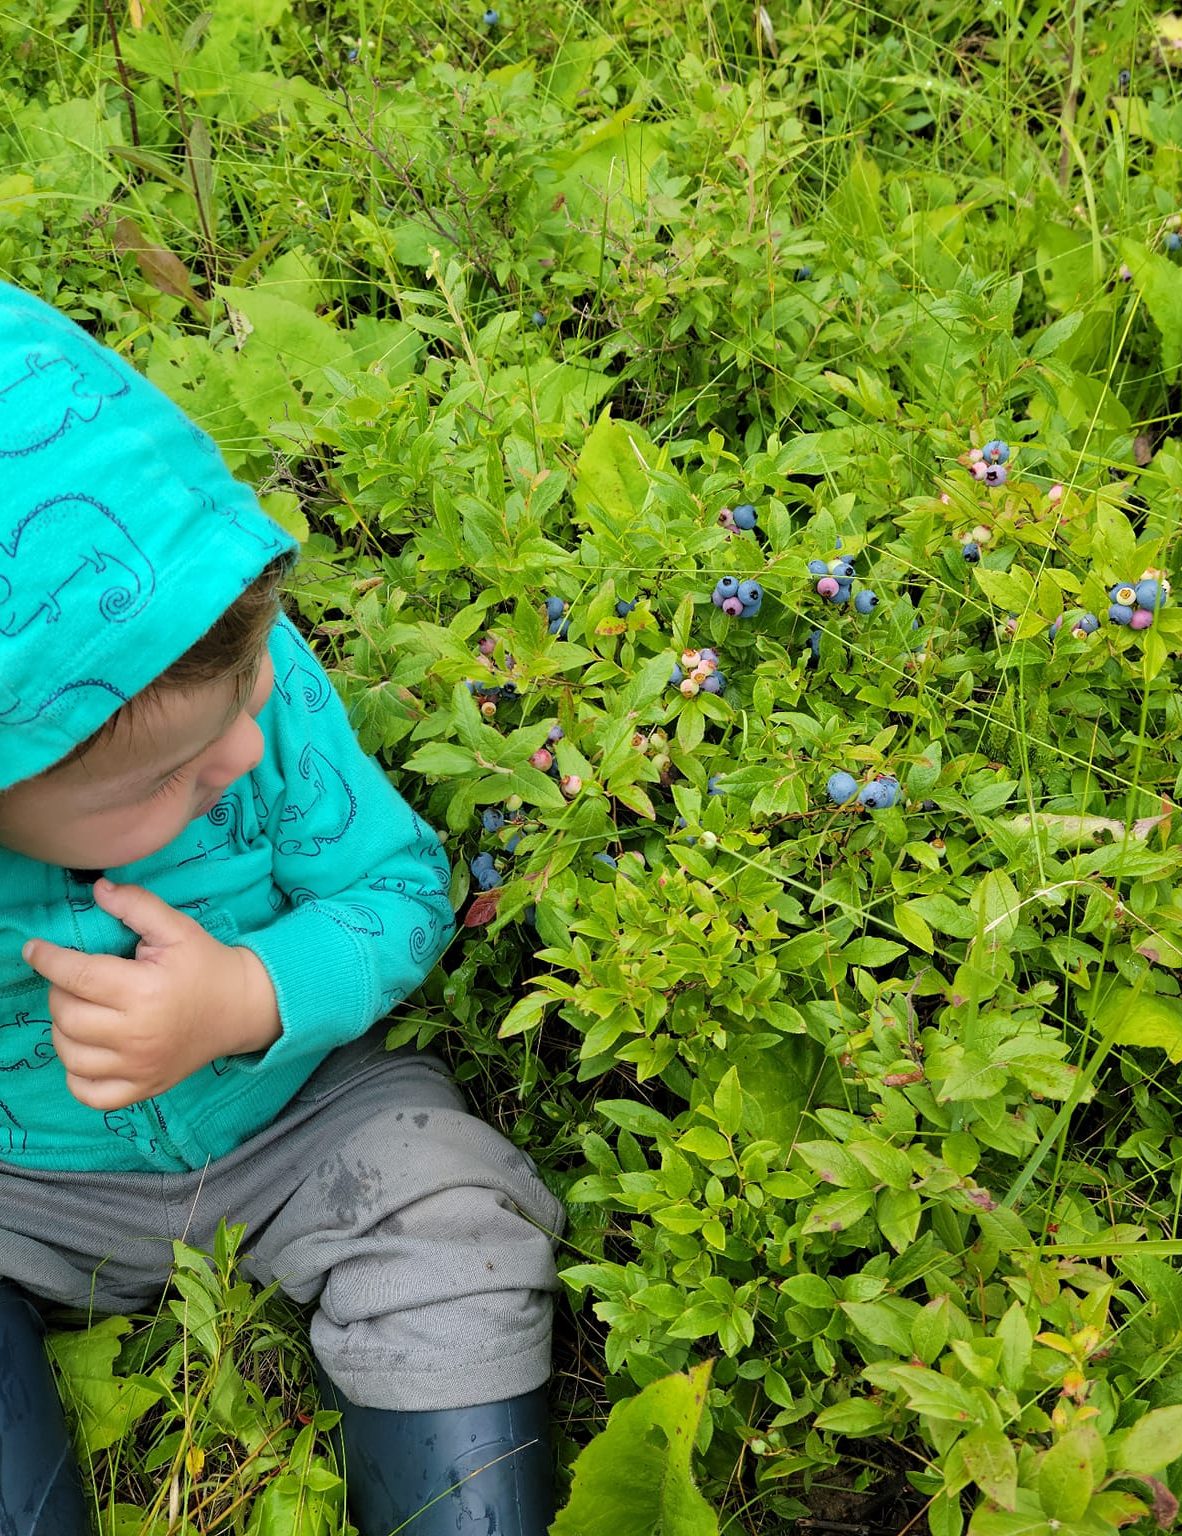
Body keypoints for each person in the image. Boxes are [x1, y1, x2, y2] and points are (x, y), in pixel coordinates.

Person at [0, 279, 563, 1535]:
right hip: (22, 1179)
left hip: (300, 1119)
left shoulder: (241, 678)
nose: (243, 757)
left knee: (452, 1206)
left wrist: (249, 996)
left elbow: (400, 885)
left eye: (251, 689)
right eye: (164, 779)